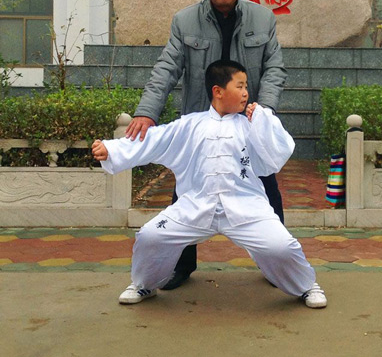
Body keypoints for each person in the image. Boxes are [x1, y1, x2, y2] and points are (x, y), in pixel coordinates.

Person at [92, 60, 327, 309]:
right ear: (218, 91)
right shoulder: (190, 124)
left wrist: (263, 120)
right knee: (151, 236)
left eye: (246, 87)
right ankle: (145, 284)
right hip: (195, 205)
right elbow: (154, 139)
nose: (246, 93)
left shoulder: (250, 124)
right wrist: (112, 149)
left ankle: (306, 286)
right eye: (240, 86)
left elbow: (277, 153)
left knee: (281, 246)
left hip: (246, 207)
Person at [125, 0, 288, 290]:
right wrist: (146, 111)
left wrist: (265, 111)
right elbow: (166, 69)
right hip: (203, 121)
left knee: (266, 189)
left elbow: (274, 68)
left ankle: (277, 265)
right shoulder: (185, 21)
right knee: (186, 195)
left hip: (247, 122)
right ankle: (180, 266)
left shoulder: (263, 19)